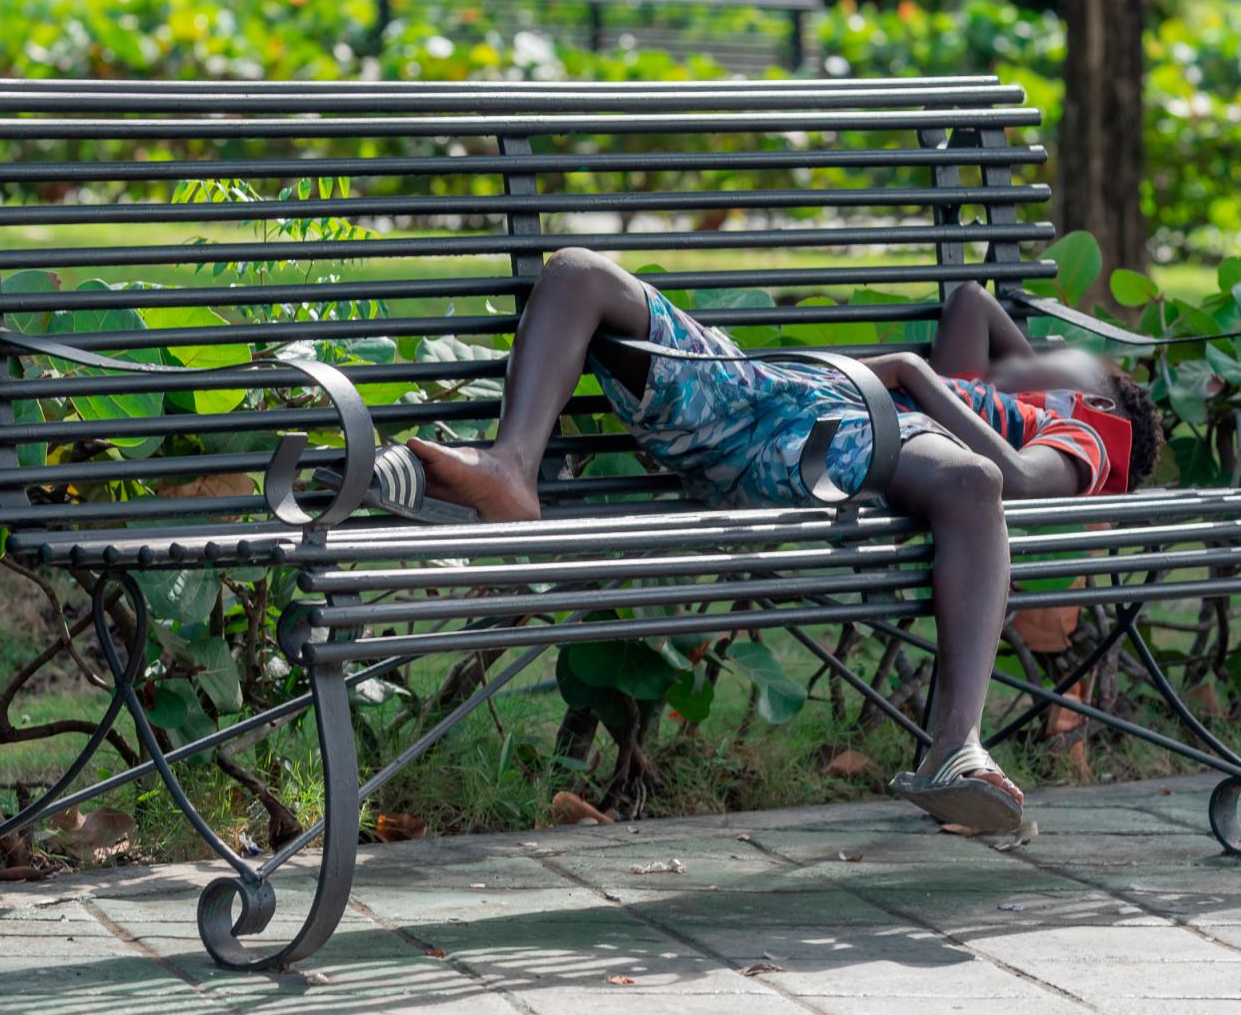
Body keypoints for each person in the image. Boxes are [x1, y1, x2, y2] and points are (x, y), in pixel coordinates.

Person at [409, 249, 1159, 831]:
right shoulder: (998, 396)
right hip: (757, 391)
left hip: (859, 437)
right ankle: (512, 467)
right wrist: (985, 372)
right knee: (579, 275)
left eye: (1068, 365)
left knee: (972, 481)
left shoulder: (1096, 431)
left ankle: (952, 747)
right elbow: (972, 305)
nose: (1037, 358)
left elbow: (1017, 483)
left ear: (1093, 398)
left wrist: (915, 374)